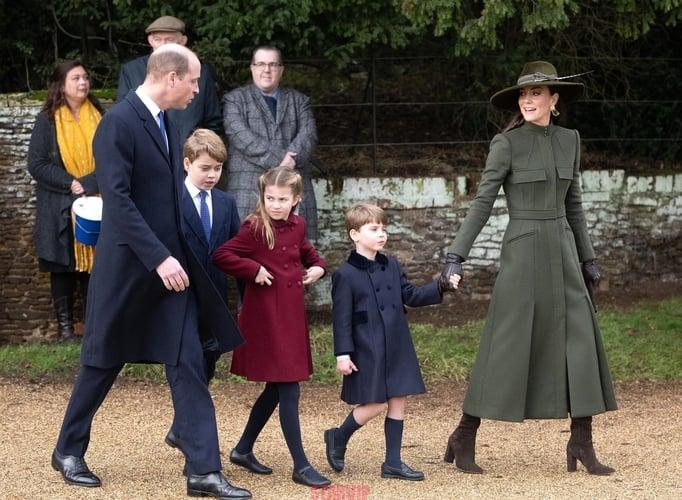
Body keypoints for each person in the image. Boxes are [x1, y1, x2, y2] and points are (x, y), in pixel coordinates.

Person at [51, 44, 250, 499]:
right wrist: (158, 257)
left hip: (170, 273)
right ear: (171, 77)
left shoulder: (165, 121)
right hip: (128, 271)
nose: (198, 90)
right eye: (194, 80)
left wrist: (183, 253)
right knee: (102, 362)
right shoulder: (118, 123)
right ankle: (67, 449)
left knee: (188, 364)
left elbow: (166, 199)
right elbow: (118, 202)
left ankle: (203, 470)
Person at [440, 61, 617, 476]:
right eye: (523, 95)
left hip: (564, 252)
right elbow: (483, 201)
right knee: (506, 344)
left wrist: (588, 258)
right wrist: (456, 255)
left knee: (580, 343)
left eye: (536, 93)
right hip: (522, 253)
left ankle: (581, 441)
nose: (527, 100)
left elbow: (573, 203)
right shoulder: (506, 144)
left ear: (554, 100)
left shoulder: (570, 140)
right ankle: (464, 433)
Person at [212, 166, 330, 488]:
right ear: (261, 197)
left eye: (282, 199)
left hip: (291, 316)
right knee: (288, 386)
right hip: (266, 317)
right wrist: (253, 268)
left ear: (296, 199)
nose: (275, 205)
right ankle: (301, 465)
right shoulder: (254, 227)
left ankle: (242, 449)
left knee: (278, 387)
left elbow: (306, 252)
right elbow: (222, 255)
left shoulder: (298, 224)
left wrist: (319, 267)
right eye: (269, 198)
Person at [324, 203, 459, 481]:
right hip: (367, 348)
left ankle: (393, 463)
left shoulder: (392, 265)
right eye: (374, 229)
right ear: (355, 234)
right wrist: (343, 354)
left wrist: (440, 285)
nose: (381, 234)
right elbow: (342, 319)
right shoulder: (345, 275)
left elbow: (410, 295)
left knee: (399, 399)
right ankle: (338, 437)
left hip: (396, 342)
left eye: (383, 229)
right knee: (374, 404)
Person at [164, 128, 241, 451]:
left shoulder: (226, 203)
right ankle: (195, 440)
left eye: (218, 169)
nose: (212, 175)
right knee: (187, 366)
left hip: (215, 300)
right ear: (186, 163)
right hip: (178, 299)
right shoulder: (169, 201)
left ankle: (180, 429)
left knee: (208, 361)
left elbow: (237, 251)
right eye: (205, 168)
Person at [28, 60, 103, 341]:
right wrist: (69, 182)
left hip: (95, 201)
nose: (83, 83)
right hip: (58, 204)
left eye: (85, 77)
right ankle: (65, 330)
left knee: (93, 267)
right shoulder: (46, 119)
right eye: (76, 78)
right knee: (62, 267)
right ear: (61, 85)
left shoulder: (101, 115)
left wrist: (88, 184)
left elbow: (111, 157)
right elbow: (37, 163)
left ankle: (92, 326)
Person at [223, 45, 319, 241]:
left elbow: (308, 135)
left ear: (281, 70)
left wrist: (291, 158)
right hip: (249, 190)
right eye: (260, 64)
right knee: (249, 256)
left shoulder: (300, 101)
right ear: (252, 68)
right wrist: (284, 161)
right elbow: (240, 136)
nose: (266, 70)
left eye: (273, 64)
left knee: (295, 254)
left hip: (293, 189)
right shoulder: (234, 100)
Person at [117, 15, 222, 144]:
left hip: (191, 154)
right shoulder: (131, 71)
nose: (163, 45)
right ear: (150, 41)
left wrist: (200, 151)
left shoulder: (200, 72)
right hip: (147, 154)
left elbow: (213, 121)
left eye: (169, 40)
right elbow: (124, 116)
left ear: (183, 41)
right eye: (158, 39)